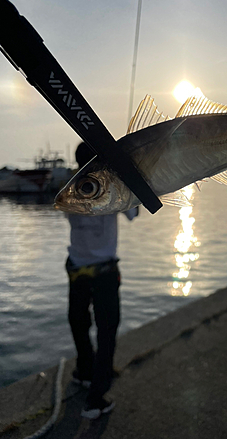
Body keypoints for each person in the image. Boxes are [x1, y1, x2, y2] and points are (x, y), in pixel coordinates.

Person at [65, 142, 138, 419]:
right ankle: (96, 397)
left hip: (77, 269)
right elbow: (133, 213)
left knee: (79, 322)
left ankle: (85, 372)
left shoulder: (70, 187)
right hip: (104, 272)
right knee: (107, 331)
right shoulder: (110, 186)